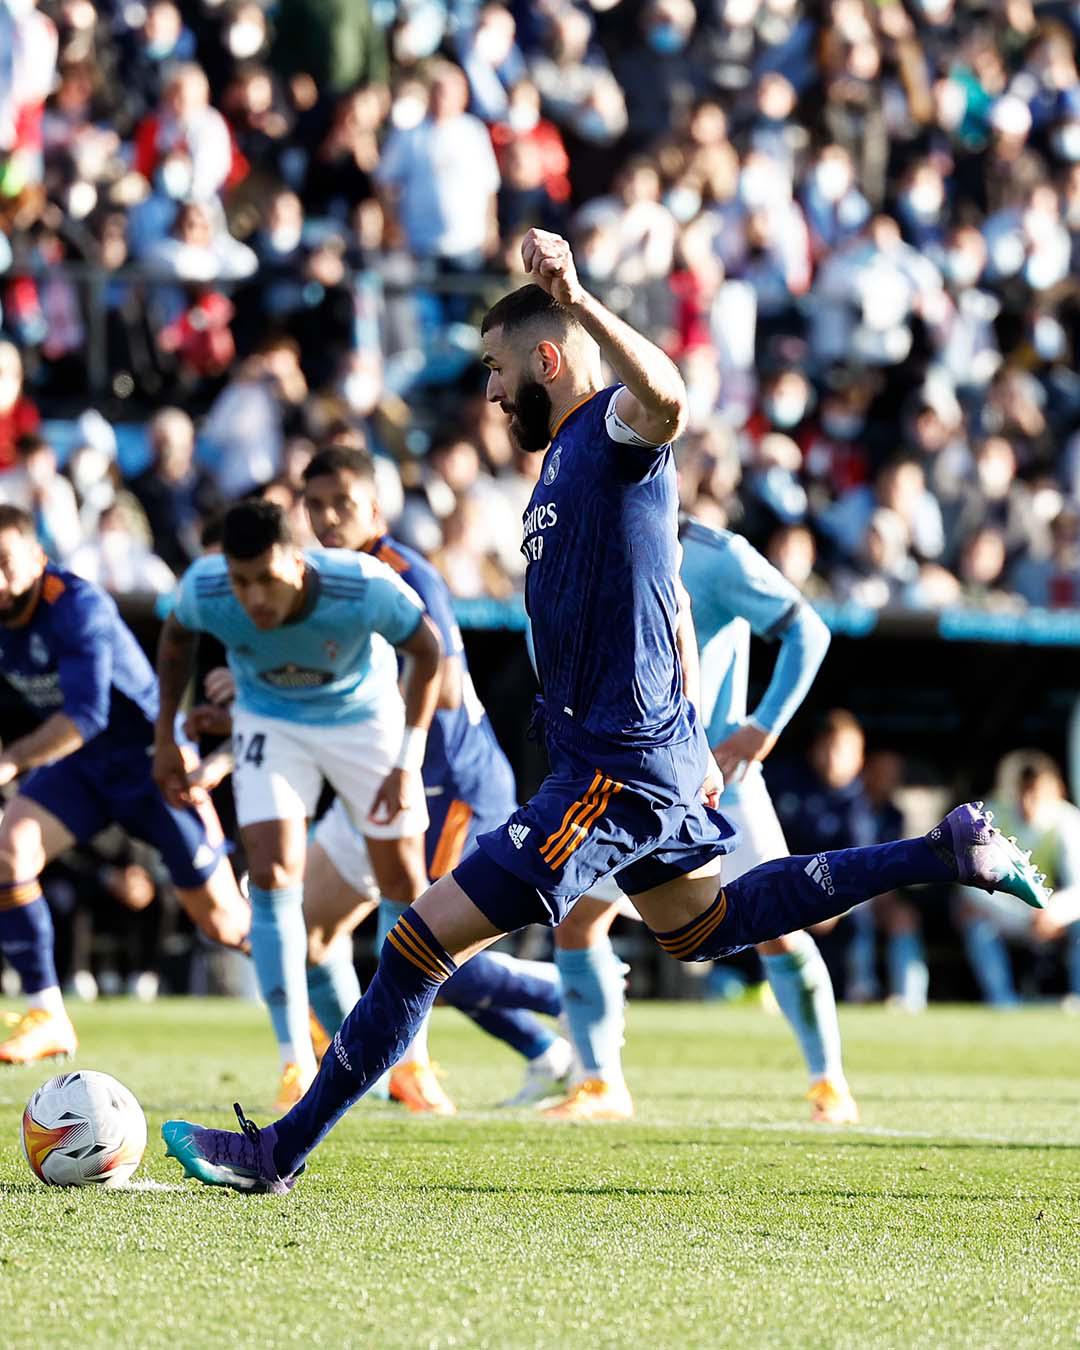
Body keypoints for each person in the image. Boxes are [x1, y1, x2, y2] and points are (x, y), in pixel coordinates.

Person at [161, 229, 1049, 1195]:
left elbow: (669, 397)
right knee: (701, 931)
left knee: (417, 939)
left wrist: (579, 298)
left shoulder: (612, 436)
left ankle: (274, 1154)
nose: (491, 394)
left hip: (613, 771)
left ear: (550, 356)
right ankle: (944, 851)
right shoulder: (558, 463)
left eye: (500, 371)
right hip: (627, 757)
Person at [192, 448, 572, 1110]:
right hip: (374, 782)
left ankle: (573, 995)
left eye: (344, 503)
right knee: (307, 929)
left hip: (445, 783)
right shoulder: (303, 587)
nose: (330, 518)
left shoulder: (402, 575)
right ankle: (381, 1066)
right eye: (317, 506)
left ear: (376, 506)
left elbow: (445, 687)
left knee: (429, 950)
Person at [544, 518, 858, 1125]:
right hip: (629, 778)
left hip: (720, 778)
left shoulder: (717, 557)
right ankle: (601, 1082)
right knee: (577, 920)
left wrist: (763, 725)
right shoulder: (591, 541)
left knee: (780, 924)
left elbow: (807, 633)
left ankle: (829, 1082)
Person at [153, 498, 443, 1112]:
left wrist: (408, 760)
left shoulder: (359, 584)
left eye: (268, 579)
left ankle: (410, 1062)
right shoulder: (206, 588)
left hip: (366, 721)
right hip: (271, 722)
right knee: (272, 874)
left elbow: (428, 649)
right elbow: (176, 638)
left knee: (403, 880)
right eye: (242, 582)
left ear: (301, 563)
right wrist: (167, 736)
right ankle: (294, 1061)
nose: (254, 599)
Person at [0, 505, 247, 1065]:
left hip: (151, 761)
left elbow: (86, 714)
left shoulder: (78, 605)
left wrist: (12, 759)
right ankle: (47, 1014)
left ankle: (320, 1017)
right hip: (83, 767)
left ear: (39, 559)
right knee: (11, 848)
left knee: (225, 922)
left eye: (6, 564)